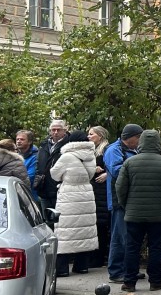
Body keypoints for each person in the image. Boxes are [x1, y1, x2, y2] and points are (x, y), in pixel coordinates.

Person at [115, 130, 161, 293]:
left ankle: (129, 282)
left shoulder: (130, 162)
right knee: (156, 246)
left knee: (132, 247)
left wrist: (126, 205)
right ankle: (155, 280)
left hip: (133, 213)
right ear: (158, 143)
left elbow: (120, 188)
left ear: (141, 143)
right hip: (158, 213)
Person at [49, 131, 99, 276]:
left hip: (69, 195)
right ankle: (82, 266)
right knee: (84, 230)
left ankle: (62, 269)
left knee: (65, 231)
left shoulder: (67, 156)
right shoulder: (90, 156)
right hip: (87, 194)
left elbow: (54, 174)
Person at [104, 125, 143, 283]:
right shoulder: (114, 150)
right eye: (138, 137)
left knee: (126, 236)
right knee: (120, 237)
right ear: (130, 137)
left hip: (128, 199)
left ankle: (128, 268)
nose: (140, 141)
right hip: (118, 200)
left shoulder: (133, 150)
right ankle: (116, 271)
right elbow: (117, 171)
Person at [86, 127, 111, 269]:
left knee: (101, 225)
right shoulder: (92, 150)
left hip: (102, 190)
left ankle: (100, 257)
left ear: (100, 136)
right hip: (95, 189)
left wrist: (107, 173)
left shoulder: (106, 149)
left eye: (91, 134)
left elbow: (114, 166)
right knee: (96, 224)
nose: (88, 136)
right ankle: (96, 256)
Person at [36, 118, 69, 208]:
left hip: (60, 190)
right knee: (47, 219)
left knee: (60, 220)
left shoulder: (69, 145)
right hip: (44, 190)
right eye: (53, 130)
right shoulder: (44, 145)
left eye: (58, 130)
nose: (55, 132)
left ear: (65, 131)